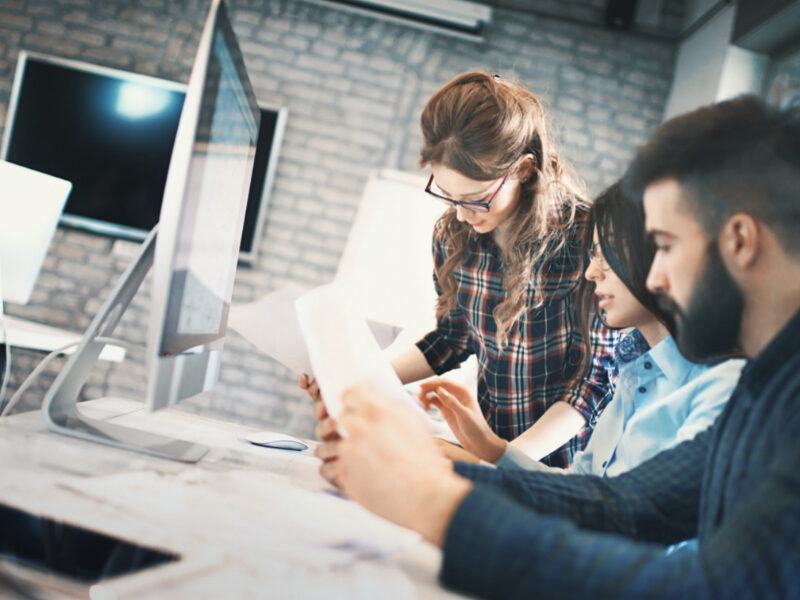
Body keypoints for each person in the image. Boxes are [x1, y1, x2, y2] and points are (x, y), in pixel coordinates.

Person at [313, 95, 800, 598]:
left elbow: (706, 586)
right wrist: (415, 467)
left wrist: (432, 500)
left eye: (667, 247)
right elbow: (626, 506)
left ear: (740, 240)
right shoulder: (762, 386)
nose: (652, 278)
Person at [303, 71, 617, 469]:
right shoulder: (455, 237)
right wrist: (356, 380)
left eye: (477, 199)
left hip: (571, 469)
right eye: (448, 195)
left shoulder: (588, 238)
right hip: (492, 453)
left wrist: (506, 461)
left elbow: (592, 382)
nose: (462, 214)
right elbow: (452, 339)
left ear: (523, 169)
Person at [419, 181, 744, 474]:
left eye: (606, 255)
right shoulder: (634, 369)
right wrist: (490, 449)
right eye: (593, 254)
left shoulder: (715, 389)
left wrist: (479, 467)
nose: (590, 273)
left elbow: (628, 515)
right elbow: (582, 491)